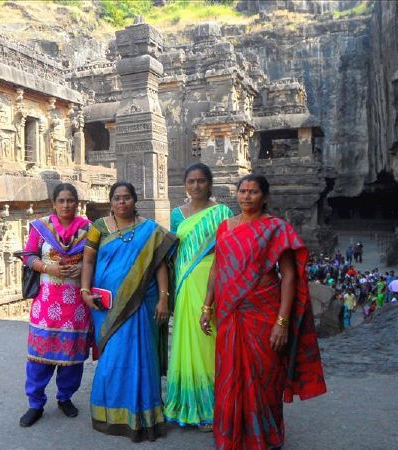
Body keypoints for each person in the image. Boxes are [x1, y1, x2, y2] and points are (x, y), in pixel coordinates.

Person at [200, 174, 326, 450]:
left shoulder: (276, 228)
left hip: (264, 313)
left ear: (265, 197)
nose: (246, 196)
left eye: (253, 192)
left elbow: (289, 276)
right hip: (230, 312)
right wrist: (207, 306)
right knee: (228, 374)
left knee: (265, 375)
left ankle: (266, 436)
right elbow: (217, 268)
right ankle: (231, 434)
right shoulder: (225, 228)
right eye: (242, 191)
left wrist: (282, 321)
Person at [80, 181, 177, 442]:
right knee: (111, 358)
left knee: (141, 357)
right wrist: (85, 291)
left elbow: (160, 267)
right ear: (111, 202)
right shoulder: (98, 228)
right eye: (117, 198)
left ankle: (142, 416)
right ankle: (109, 414)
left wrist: (164, 299)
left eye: (126, 198)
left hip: (143, 302)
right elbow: (88, 261)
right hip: (106, 305)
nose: (121, 202)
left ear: (135, 200)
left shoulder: (150, 230)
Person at [164, 163, 233, 431]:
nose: (196, 186)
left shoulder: (223, 213)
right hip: (184, 283)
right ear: (185, 185)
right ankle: (187, 403)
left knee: (210, 342)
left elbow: (227, 253)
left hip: (213, 282)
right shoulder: (177, 215)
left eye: (201, 181)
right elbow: (172, 253)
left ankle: (212, 407)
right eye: (191, 181)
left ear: (209, 183)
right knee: (185, 341)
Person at [19, 183, 92, 427]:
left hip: (76, 304)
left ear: (77, 202)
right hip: (47, 300)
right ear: (54, 203)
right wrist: (48, 267)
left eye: (70, 200)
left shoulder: (88, 229)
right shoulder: (40, 228)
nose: (66, 205)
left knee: (72, 355)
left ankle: (65, 397)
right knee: (39, 356)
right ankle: (35, 403)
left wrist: (81, 268)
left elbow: (97, 260)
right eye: (61, 200)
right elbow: (28, 256)